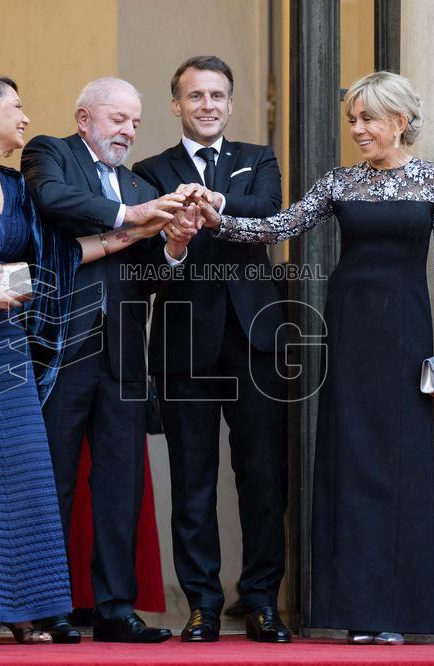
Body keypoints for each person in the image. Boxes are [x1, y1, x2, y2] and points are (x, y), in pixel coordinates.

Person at [0, 72, 195, 646]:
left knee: (18, 481)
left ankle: (16, 608)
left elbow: (51, 258)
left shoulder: (10, 183)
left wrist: (146, 230)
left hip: (9, 347)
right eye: (17, 107)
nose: (26, 117)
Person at [198, 71, 434, 645]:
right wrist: (220, 220)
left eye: (368, 119)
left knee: (400, 464)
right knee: (349, 461)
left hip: (406, 333)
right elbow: (281, 224)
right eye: (352, 121)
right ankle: (357, 611)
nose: (358, 130)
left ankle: (395, 613)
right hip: (349, 329)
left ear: (399, 120)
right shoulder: (341, 182)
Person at [21, 77, 190, 643]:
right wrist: (132, 214)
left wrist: (174, 243)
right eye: (118, 119)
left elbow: (148, 269)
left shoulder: (136, 182)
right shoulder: (51, 153)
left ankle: (116, 609)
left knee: (121, 484)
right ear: (84, 117)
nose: (128, 131)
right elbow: (54, 203)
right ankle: (47, 608)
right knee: (55, 477)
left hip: (122, 353)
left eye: (135, 123)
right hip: (62, 345)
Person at [132, 55, 291, 643]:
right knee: (192, 477)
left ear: (230, 103)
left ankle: (261, 602)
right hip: (183, 343)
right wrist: (173, 242)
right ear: (176, 104)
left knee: (262, 478)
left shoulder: (259, 161)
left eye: (217, 96)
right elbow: (144, 262)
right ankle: (201, 603)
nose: (207, 105)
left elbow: (270, 212)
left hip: (255, 341)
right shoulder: (150, 172)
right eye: (195, 96)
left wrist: (215, 206)